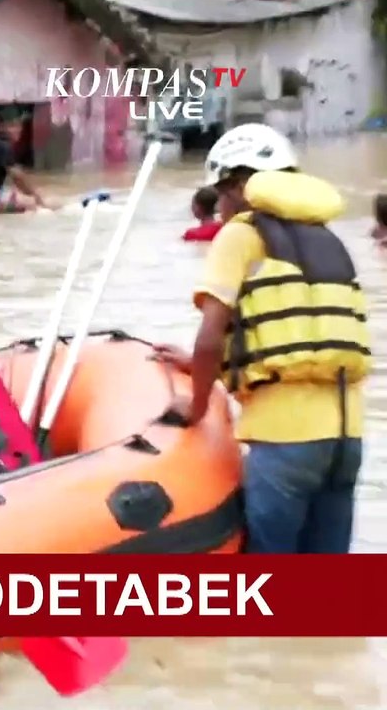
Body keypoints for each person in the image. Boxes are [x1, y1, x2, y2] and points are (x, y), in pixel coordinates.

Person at [152, 123, 370, 554]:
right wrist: (197, 367)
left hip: (284, 441)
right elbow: (302, 339)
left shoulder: (241, 235)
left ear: (238, 186)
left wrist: (196, 407)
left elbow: (212, 336)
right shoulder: (327, 240)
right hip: (346, 438)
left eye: (222, 193)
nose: (221, 207)